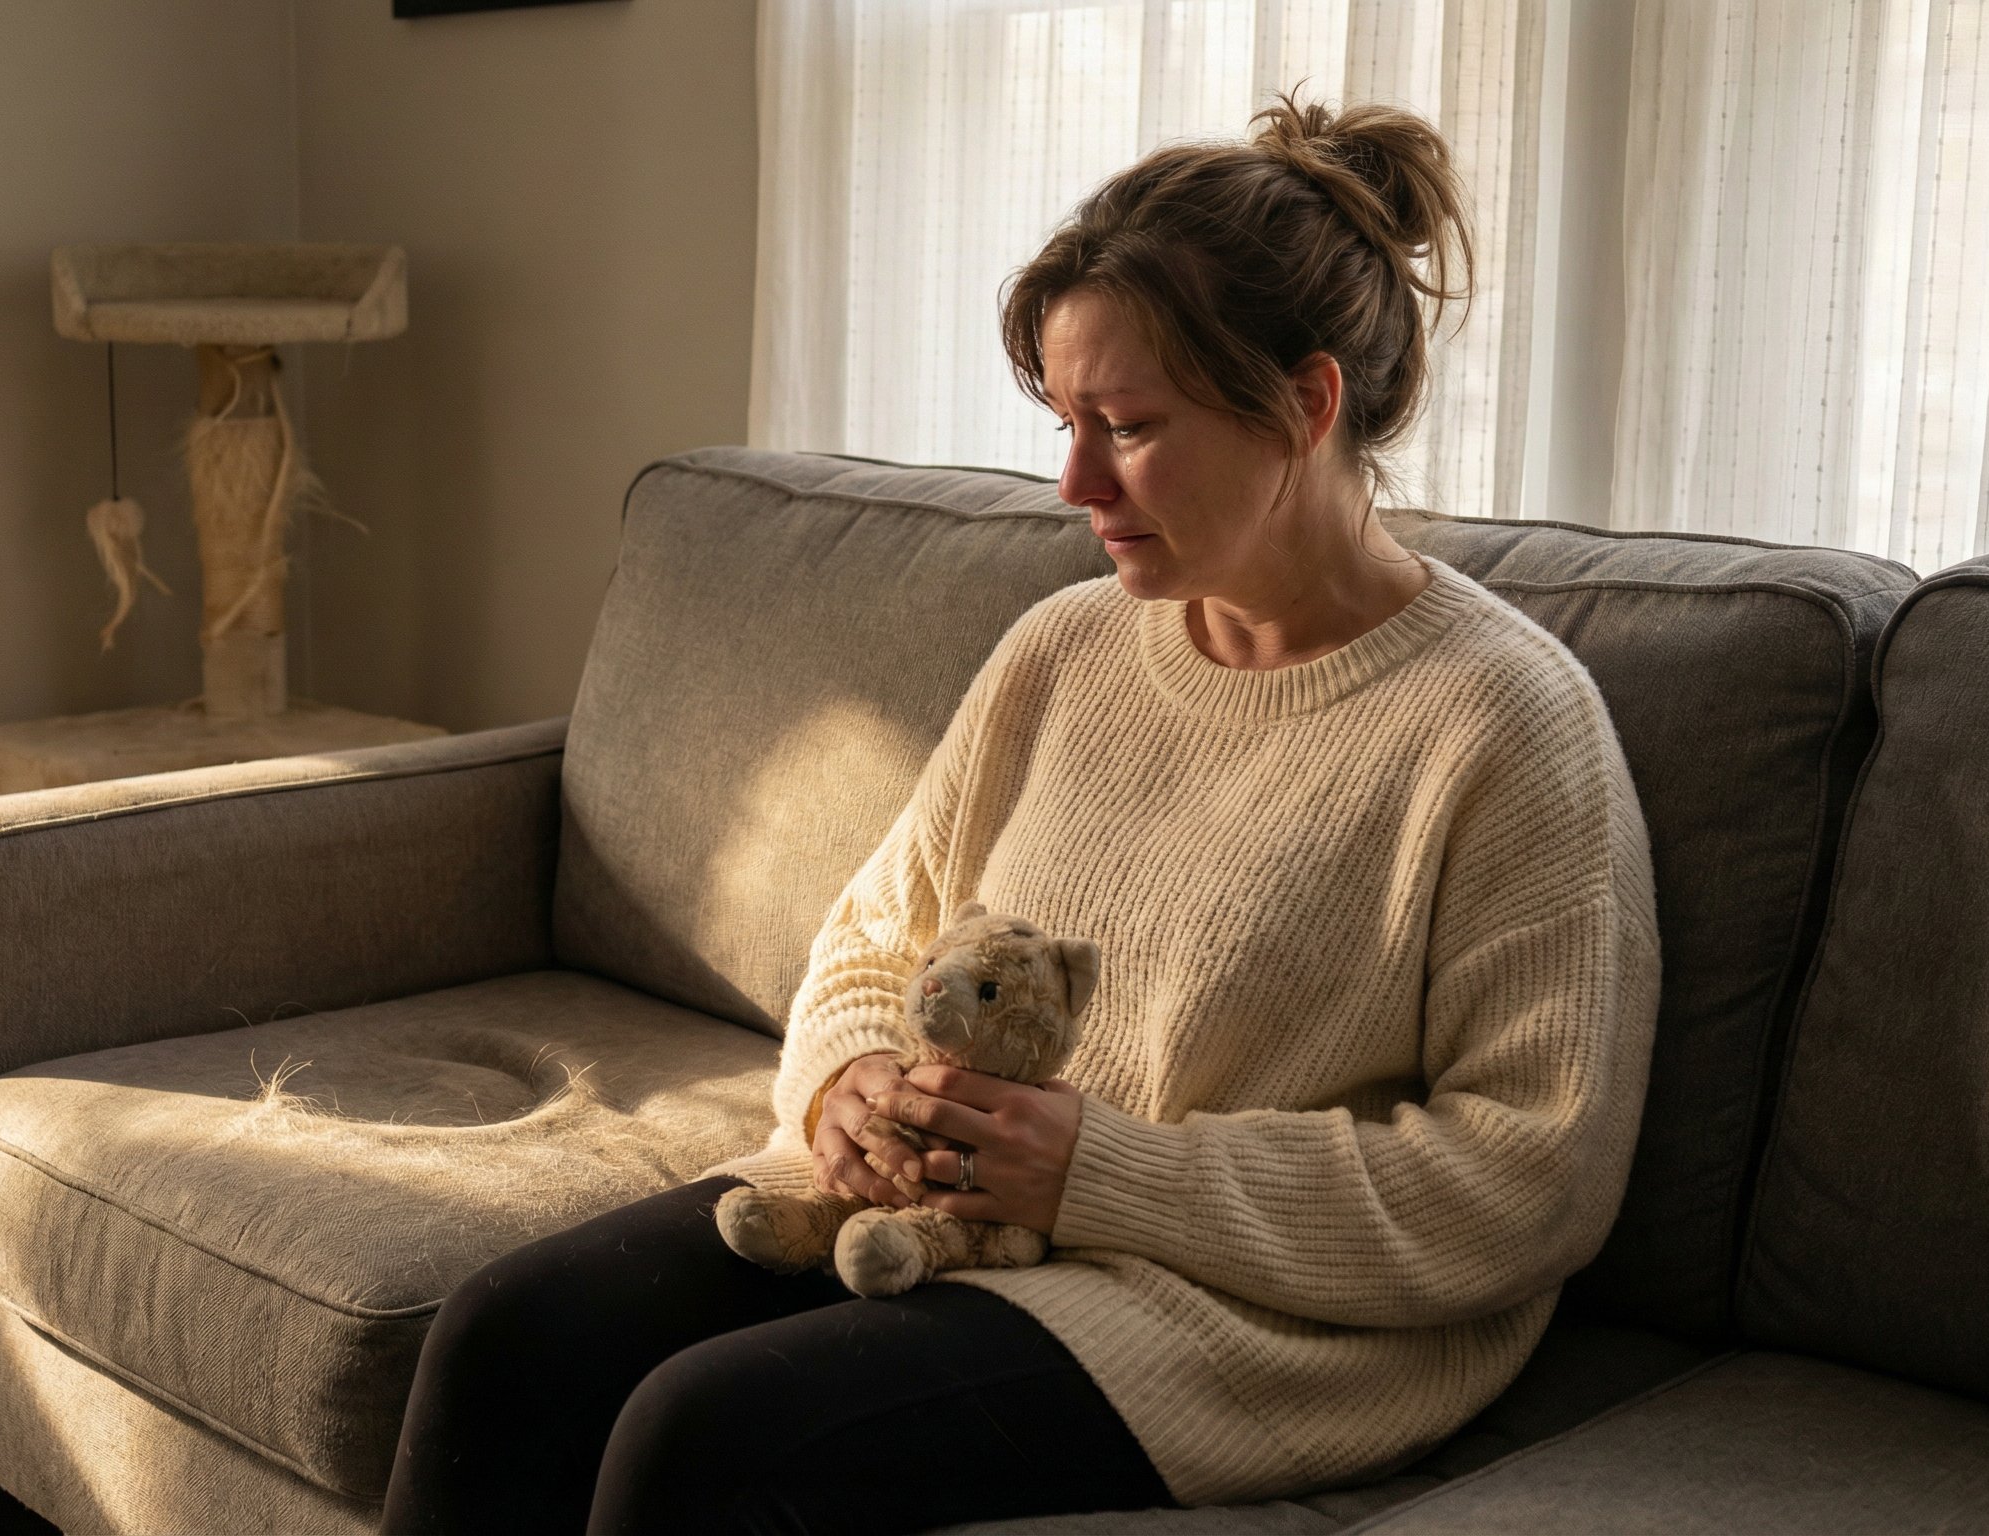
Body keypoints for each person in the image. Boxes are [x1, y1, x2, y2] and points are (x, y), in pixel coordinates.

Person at [378, 93, 1660, 1536]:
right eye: (1065, 424)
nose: (1075, 485)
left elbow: (1527, 1182)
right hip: (934, 1213)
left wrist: (1102, 1176)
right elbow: (877, 934)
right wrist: (850, 1083)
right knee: (505, 1334)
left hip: (1229, 1310)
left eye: (1127, 428)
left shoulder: (1503, 725)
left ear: (1306, 407)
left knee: (713, 1437)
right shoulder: (1066, 648)